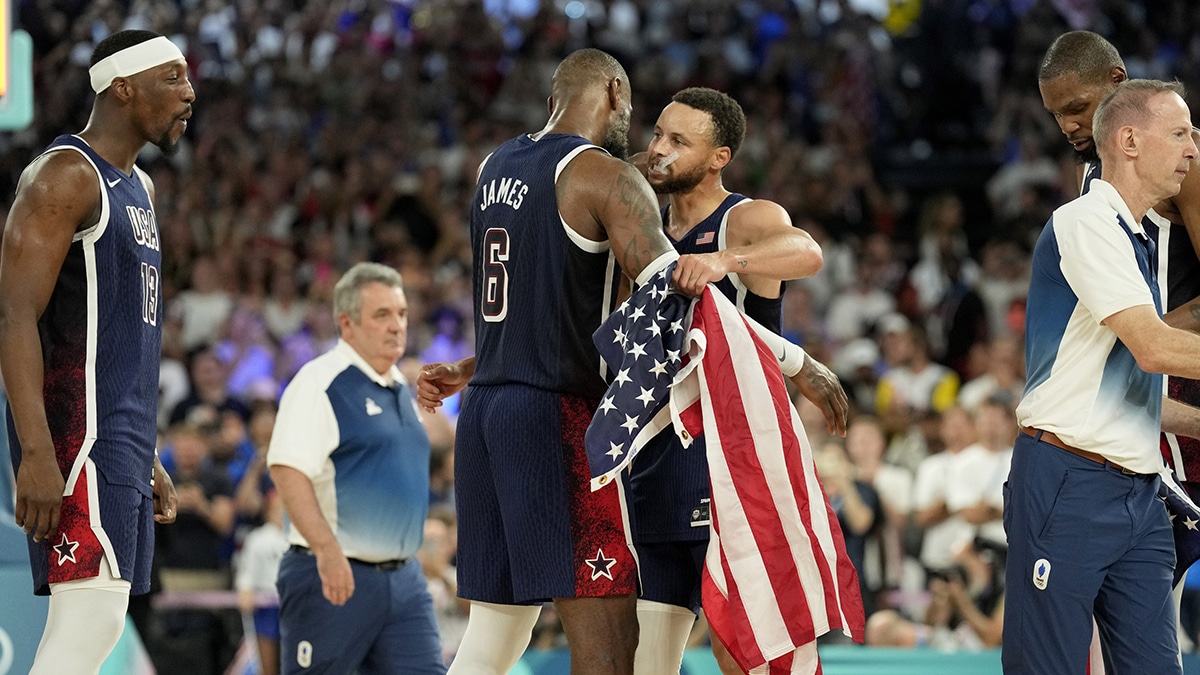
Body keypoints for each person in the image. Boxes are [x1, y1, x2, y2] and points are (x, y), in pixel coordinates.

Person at [626, 86, 849, 674]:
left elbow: (806, 251)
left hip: (731, 455)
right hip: (653, 451)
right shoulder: (639, 227)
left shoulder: (744, 218)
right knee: (647, 649)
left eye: (679, 141)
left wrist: (725, 262)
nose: (660, 150)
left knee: (746, 645)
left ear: (719, 156)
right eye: (657, 135)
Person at [0, 29, 190, 674]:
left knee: (96, 624)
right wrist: (35, 453)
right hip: (74, 441)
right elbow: (15, 314)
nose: (189, 95)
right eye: (173, 79)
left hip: (121, 438)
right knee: (87, 625)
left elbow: (120, 338)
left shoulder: (139, 188)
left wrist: (148, 453)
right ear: (122, 88)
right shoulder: (65, 175)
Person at [1005, 79, 1200, 675]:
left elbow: (1125, 390)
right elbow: (1153, 348)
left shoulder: (1138, 240)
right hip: (1069, 480)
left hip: (1138, 491)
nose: (1194, 148)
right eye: (1181, 133)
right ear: (1131, 140)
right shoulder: (1086, 221)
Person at [1038, 30, 1200, 492]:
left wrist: (1148, 333)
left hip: (1180, 380)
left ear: (1117, 81)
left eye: (1076, 109)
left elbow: (1144, 332)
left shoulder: (1186, 162)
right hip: (1130, 398)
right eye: (1056, 115)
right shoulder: (1089, 170)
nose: (1067, 126)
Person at [267, 262, 444, 674]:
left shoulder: (401, 387)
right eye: (382, 315)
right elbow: (287, 470)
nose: (397, 325)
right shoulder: (320, 383)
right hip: (334, 573)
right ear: (347, 324)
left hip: (405, 580)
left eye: (401, 313)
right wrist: (327, 552)